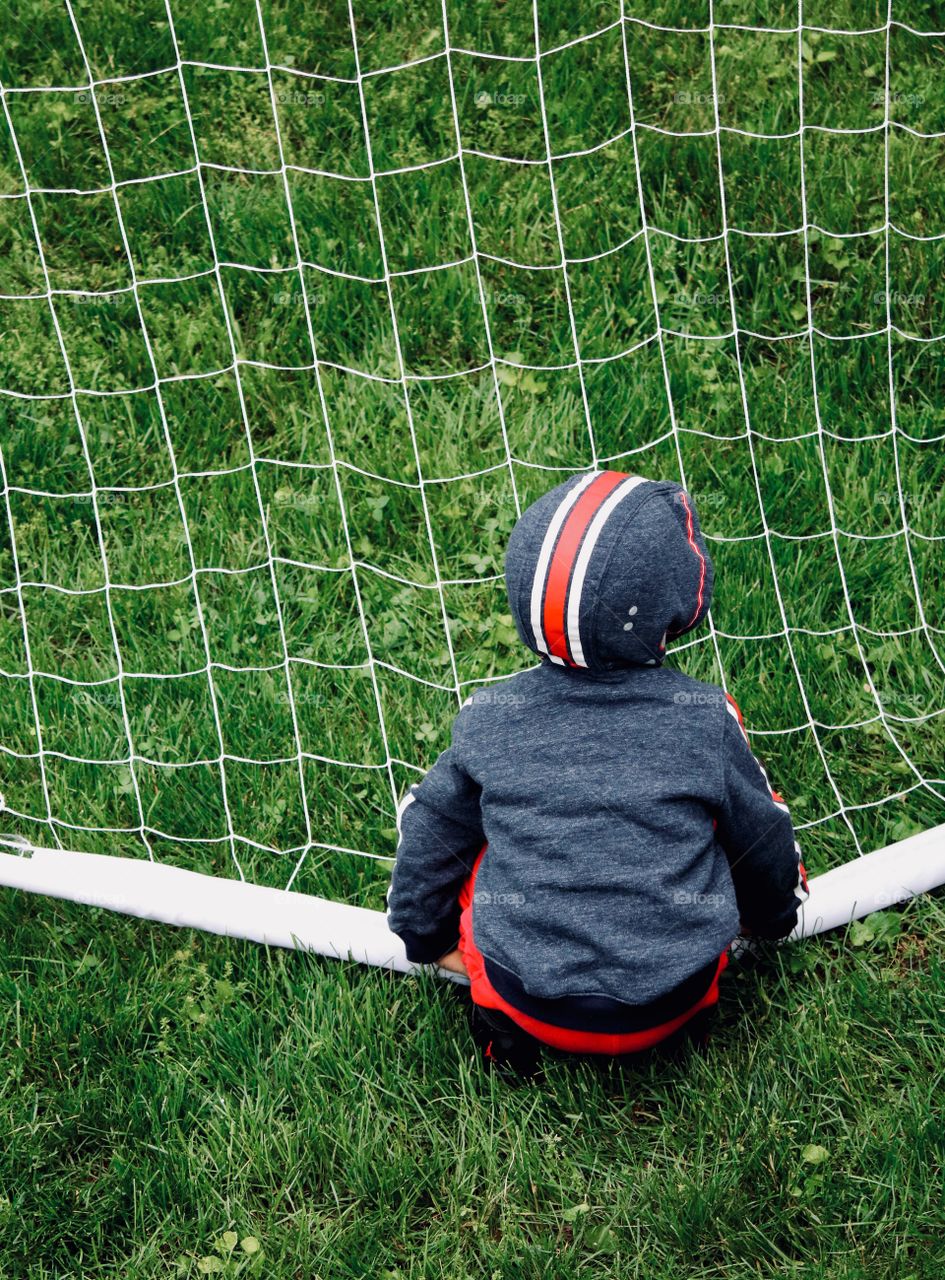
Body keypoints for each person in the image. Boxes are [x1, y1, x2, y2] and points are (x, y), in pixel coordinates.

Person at [386, 470, 809, 1078]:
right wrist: (772, 920)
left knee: (470, 840)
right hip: (676, 1002)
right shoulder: (704, 720)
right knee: (718, 822)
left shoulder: (488, 720)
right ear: (675, 601)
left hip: (527, 1002)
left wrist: (424, 940)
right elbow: (762, 839)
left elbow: (431, 838)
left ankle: (500, 1034)